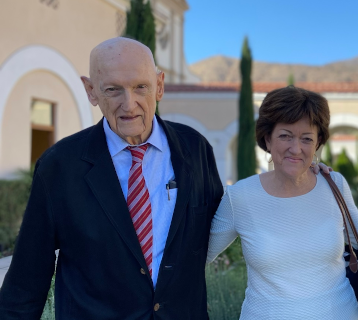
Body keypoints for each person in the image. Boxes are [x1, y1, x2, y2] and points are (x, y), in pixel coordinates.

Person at [0, 37, 225, 319]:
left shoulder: (195, 149)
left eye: (140, 87)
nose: (129, 105)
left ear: (159, 85)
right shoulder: (59, 165)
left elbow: (219, 227)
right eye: (113, 90)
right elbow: (27, 278)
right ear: (91, 91)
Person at [207, 85, 358, 319]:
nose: (296, 148)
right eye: (285, 136)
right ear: (267, 139)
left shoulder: (334, 184)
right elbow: (195, 257)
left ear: (317, 142)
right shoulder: (239, 197)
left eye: (306, 138)